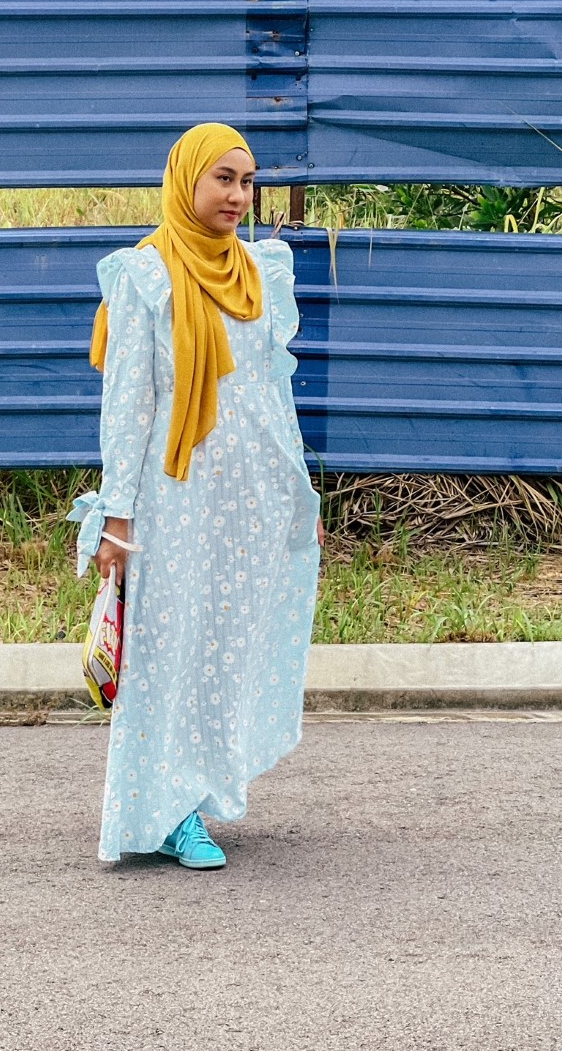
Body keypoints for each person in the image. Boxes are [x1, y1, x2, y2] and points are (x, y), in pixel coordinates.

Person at [68, 122, 324, 868]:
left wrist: (299, 495)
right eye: (223, 178)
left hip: (251, 497)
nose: (238, 195)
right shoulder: (145, 276)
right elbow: (129, 406)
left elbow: (272, 394)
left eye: (247, 182)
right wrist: (117, 516)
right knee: (168, 650)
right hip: (173, 499)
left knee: (225, 648)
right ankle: (168, 810)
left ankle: (198, 791)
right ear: (186, 181)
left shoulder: (259, 271)